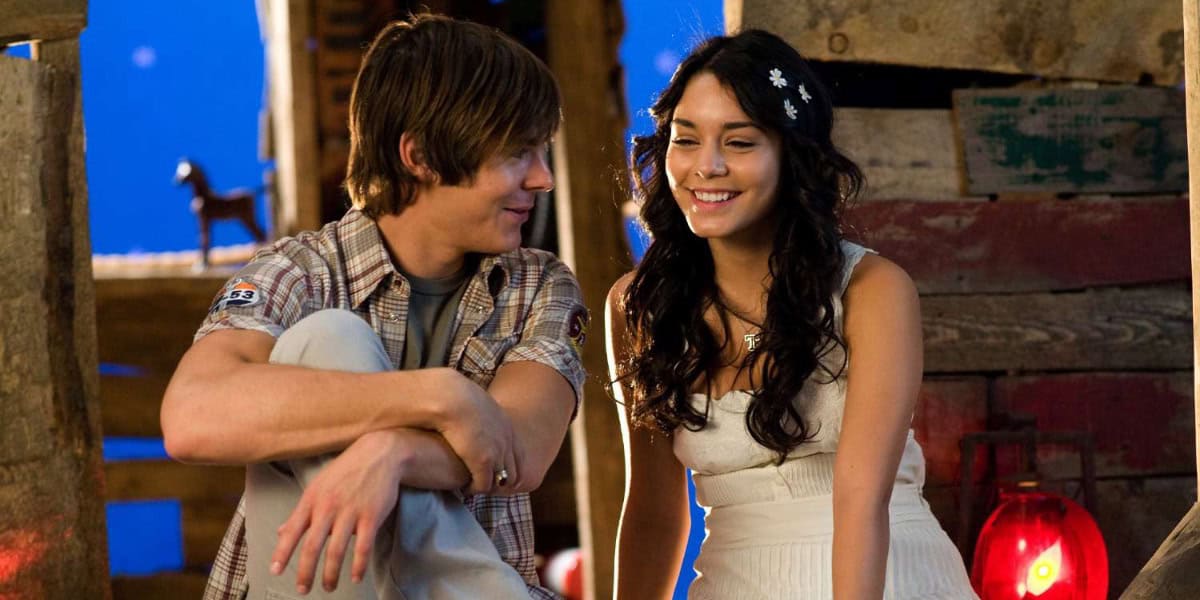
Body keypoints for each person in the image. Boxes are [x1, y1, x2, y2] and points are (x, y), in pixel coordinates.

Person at [161, 14, 587, 600]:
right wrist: (439, 398)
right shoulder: (301, 272)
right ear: (421, 156)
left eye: (542, 152)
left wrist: (389, 454)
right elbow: (191, 418)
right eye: (517, 153)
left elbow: (518, 452)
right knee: (328, 340)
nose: (542, 178)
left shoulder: (540, 287)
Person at [606, 30, 978, 599]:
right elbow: (653, 512)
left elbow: (861, 499)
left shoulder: (872, 290)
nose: (706, 166)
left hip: (883, 574)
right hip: (731, 581)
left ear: (791, 155)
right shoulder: (639, 306)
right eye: (686, 139)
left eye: (739, 142)